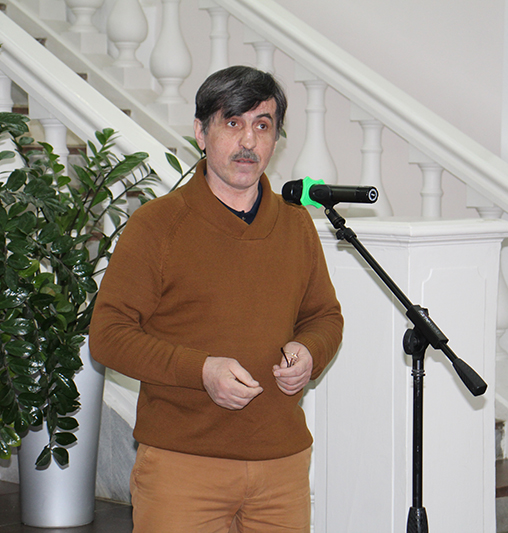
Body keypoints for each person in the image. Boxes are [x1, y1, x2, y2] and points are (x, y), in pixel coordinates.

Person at [89, 65, 344, 533]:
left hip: (282, 467)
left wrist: (310, 351)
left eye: (262, 126)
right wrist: (201, 371)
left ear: (275, 139)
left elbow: (324, 316)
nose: (248, 141)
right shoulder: (157, 225)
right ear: (201, 133)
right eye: (232, 123)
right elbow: (108, 336)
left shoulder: (296, 224)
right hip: (182, 466)